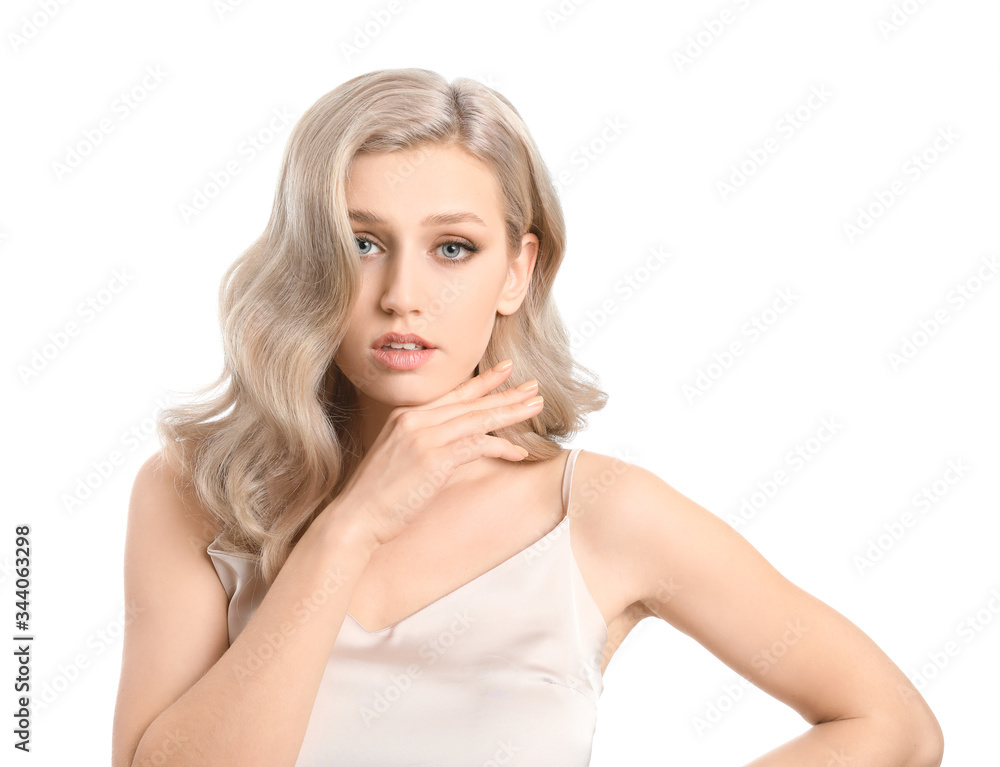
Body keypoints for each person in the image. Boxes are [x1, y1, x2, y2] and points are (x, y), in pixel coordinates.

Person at [112, 68, 944, 766]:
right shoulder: (198, 492)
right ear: (308, 259)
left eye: (453, 248)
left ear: (517, 270)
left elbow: (891, 724)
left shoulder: (598, 512)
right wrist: (352, 525)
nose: (402, 295)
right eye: (362, 243)